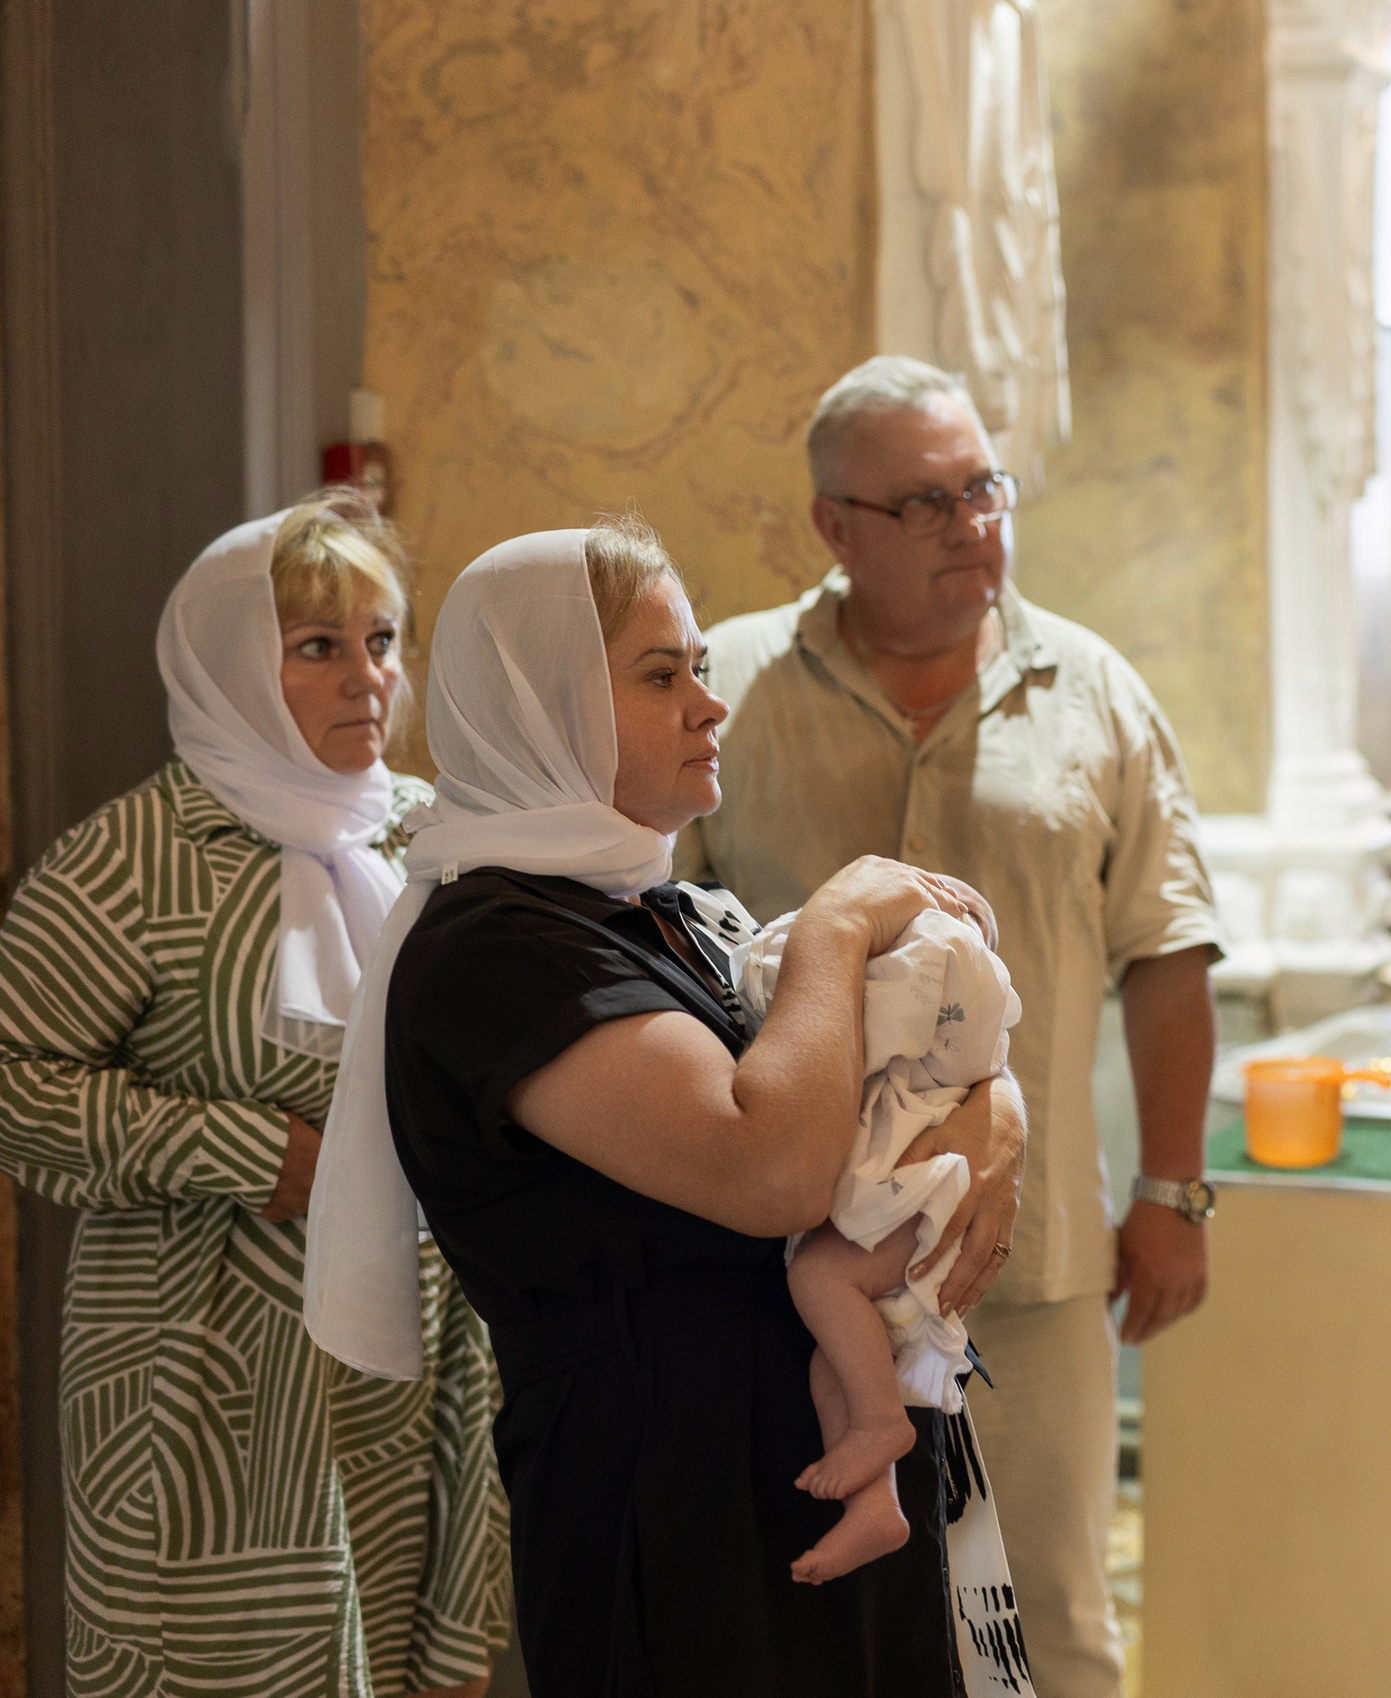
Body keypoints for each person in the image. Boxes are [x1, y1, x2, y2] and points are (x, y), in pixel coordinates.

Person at [301, 519, 1025, 1694]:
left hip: (806, 1445)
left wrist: (996, 1109)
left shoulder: (665, 909)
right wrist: (840, 924)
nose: (709, 703)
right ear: (542, 707)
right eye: (659, 674)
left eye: (701, 665)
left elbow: (878, 1080)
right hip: (674, 1494)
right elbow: (771, 1172)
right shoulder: (494, 948)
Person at [677, 355, 1223, 1698]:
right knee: (803, 1608)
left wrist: (1173, 1190)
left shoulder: (1093, 691)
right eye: (924, 503)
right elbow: (661, 942)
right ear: (834, 525)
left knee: (1049, 1618)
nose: (973, 525)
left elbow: (1168, 953)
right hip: (779, 1257)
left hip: (1017, 1260)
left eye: (985, 488)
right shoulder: (725, 686)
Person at [0, 492, 507, 1696]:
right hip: (208, 1373)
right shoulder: (133, 858)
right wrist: (234, 1145)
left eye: (383, 641)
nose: (366, 678)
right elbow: (14, 1082)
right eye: (318, 646)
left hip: (408, 1355)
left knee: (394, 1648)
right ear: (229, 661)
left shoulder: (434, 841)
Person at [727, 902, 1022, 1584]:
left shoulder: (925, 985)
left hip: (923, 1206)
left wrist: (814, 965)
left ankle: (883, 1425)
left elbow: (849, 1036)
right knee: (835, 1360)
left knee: (821, 1282)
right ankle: (875, 1504)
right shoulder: (967, 1018)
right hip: (917, 1206)